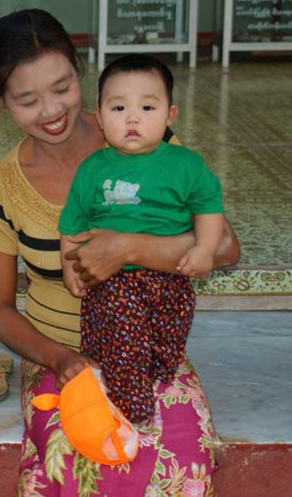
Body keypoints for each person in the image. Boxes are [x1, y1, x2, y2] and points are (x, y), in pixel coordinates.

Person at [0, 9, 240, 495]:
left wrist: (129, 247)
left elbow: (223, 246)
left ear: (80, 70)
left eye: (63, 87)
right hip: (61, 354)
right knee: (76, 473)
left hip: (155, 349)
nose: (51, 111)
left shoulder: (142, 138)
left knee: (182, 472)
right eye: (27, 100)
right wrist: (58, 359)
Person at [58, 54, 225, 423]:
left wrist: (205, 248)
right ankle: (130, 406)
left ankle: (153, 373)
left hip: (169, 276)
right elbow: (72, 223)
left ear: (170, 115)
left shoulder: (187, 165)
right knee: (120, 335)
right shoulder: (93, 169)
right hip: (114, 281)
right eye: (118, 108)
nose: (132, 118)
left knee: (167, 346)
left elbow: (209, 209)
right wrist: (69, 265)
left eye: (147, 107)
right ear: (100, 118)